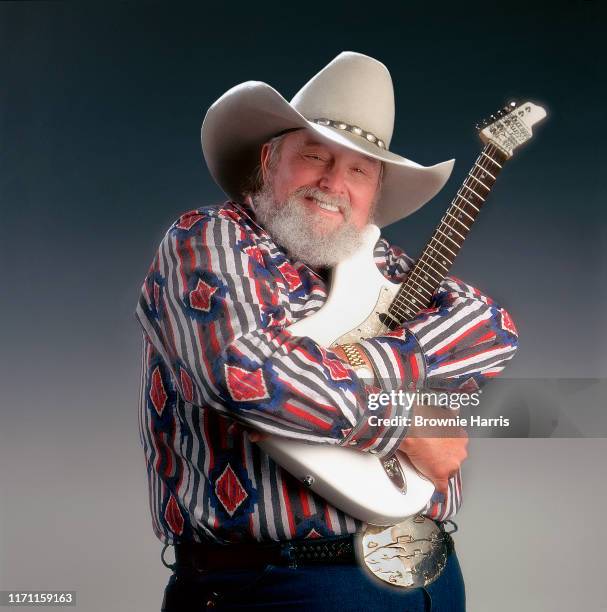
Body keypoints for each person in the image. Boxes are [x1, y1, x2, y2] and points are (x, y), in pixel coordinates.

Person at [135, 52, 518, 611]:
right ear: (269, 160)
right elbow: (251, 376)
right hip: (287, 585)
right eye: (315, 156)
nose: (334, 182)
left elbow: (490, 329)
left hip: (431, 576)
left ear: (375, 191)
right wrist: (407, 420)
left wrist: (344, 376)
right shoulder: (209, 241)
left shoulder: (380, 263)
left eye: (359, 170)